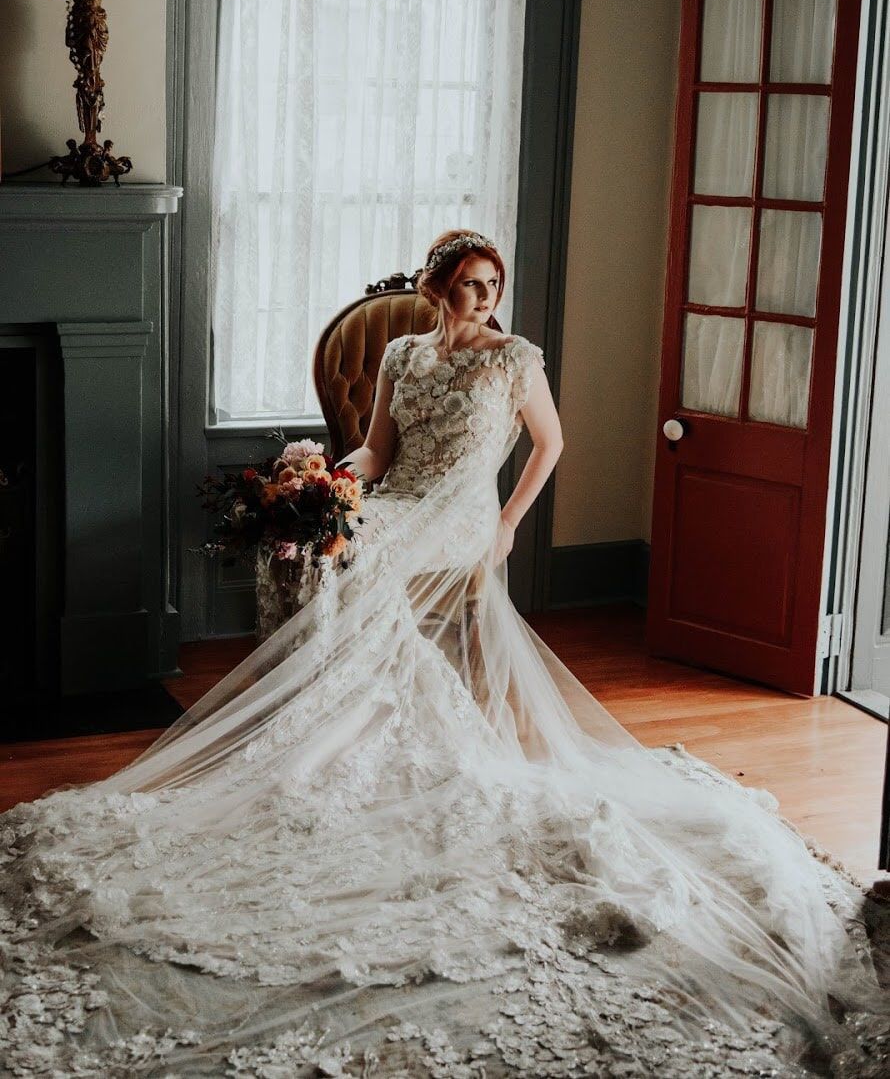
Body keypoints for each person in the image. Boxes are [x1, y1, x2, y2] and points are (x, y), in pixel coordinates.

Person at [0, 229, 887, 1077]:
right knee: (332, 547)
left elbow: (552, 445)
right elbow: (381, 452)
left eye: (494, 285)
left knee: (365, 559)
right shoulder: (401, 356)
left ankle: (363, 718)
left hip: (465, 515)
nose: (486, 298)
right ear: (438, 289)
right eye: (472, 284)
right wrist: (322, 486)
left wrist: (504, 527)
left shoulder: (515, 359)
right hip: (402, 500)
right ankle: (340, 727)